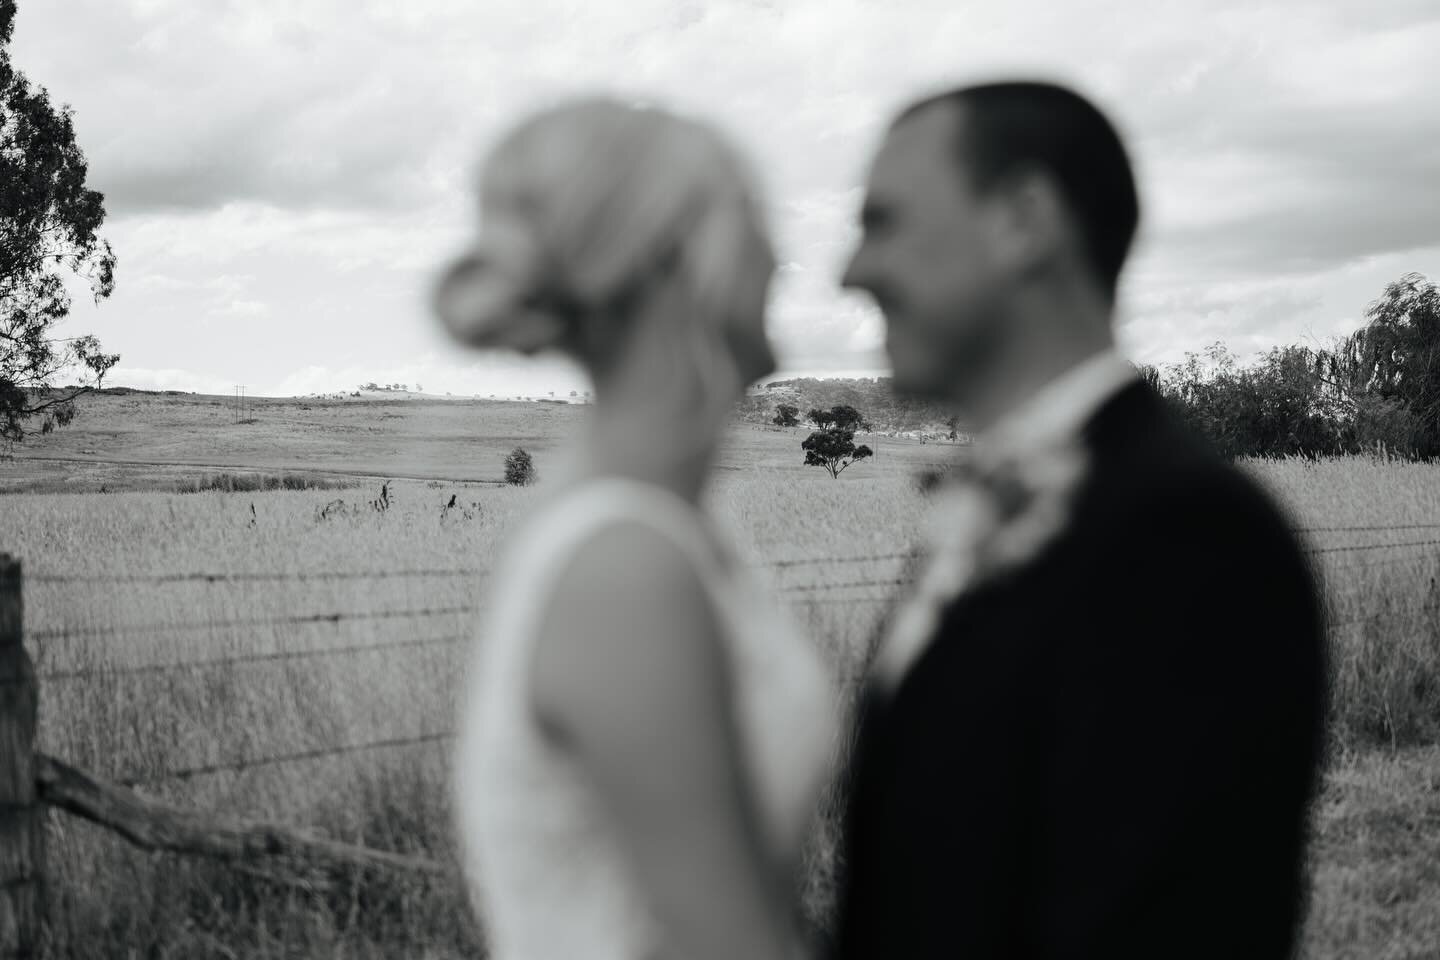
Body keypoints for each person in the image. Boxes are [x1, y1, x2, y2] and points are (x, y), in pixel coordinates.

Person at [833, 81, 1328, 958]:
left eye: (886, 222)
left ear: (1024, 219)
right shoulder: (999, 507)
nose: (852, 270)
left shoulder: (1190, 537)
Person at [436, 98, 836, 960]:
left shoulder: (675, 525)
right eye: (755, 216)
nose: (779, 252)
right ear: (681, 257)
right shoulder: (625, 565)